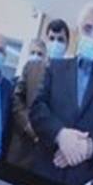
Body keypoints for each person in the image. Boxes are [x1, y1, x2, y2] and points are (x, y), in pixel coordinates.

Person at [28, 3, 93, 185]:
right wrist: (61, 135)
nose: (92, 36)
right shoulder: (55, 68)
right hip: (46, 169)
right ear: (78, 32)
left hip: (82, 181)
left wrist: (88, 147)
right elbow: (37, 109)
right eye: (87, 29)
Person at [6, 20, 71, 169]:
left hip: (49, 156)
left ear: (67, 44)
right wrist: (28, 125)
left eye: (60, 39)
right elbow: (17, 98)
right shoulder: (31, 67)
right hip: (22, 149)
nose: (55, 43)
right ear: (47, 41)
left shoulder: (71, 78)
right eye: (52, 38)